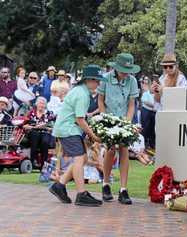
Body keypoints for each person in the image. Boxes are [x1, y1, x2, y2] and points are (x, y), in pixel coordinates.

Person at [49, 64, 104, 207]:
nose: (98, 83)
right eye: (97, 80)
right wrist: (93, 135)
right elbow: (80, 119)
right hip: (68, 129)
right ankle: (81, 194)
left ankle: (59, 185)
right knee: (80, 158)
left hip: (68, 128)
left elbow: (79, 118)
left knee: (83, 158)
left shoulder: (80, 91)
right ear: (88, 80)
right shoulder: (82, 94)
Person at [97, 53, 140, 205]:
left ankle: (123, 189)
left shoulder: (132, 81)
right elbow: (100, 100)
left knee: (124, 150)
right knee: (110, 150)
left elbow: (131, 104)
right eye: (123, 70)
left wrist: (127, 122)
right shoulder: (106, 78)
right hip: (109, 118)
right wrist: (105, 119)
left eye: (128, 70)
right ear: (116, 68)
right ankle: (106, 184)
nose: (125, 73)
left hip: (124, 119)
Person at [23, 97, 55, 168]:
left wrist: (44, 127)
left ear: (45, 105)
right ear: (36, 104)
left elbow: (53, 128)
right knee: (35, 136)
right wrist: (34, 127)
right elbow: (24, 125)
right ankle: (32, 162)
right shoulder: (31, 113)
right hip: (33, 132)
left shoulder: (49, 114)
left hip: (45, 132)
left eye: (43, 104)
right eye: (40, 103)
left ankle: (44, 165)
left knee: (45, 141)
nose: (41, 105)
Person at [140, 77, 156, 150]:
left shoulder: (157, 95)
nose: (154, 87)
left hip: (154, 113)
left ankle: (152, 144)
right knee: (145, 128)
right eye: (153, 86)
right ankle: (144, 143)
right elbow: (144, 101)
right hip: (146, 111)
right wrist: (153, 104)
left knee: (152, 129)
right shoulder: (146, 93)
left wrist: (153, 104)